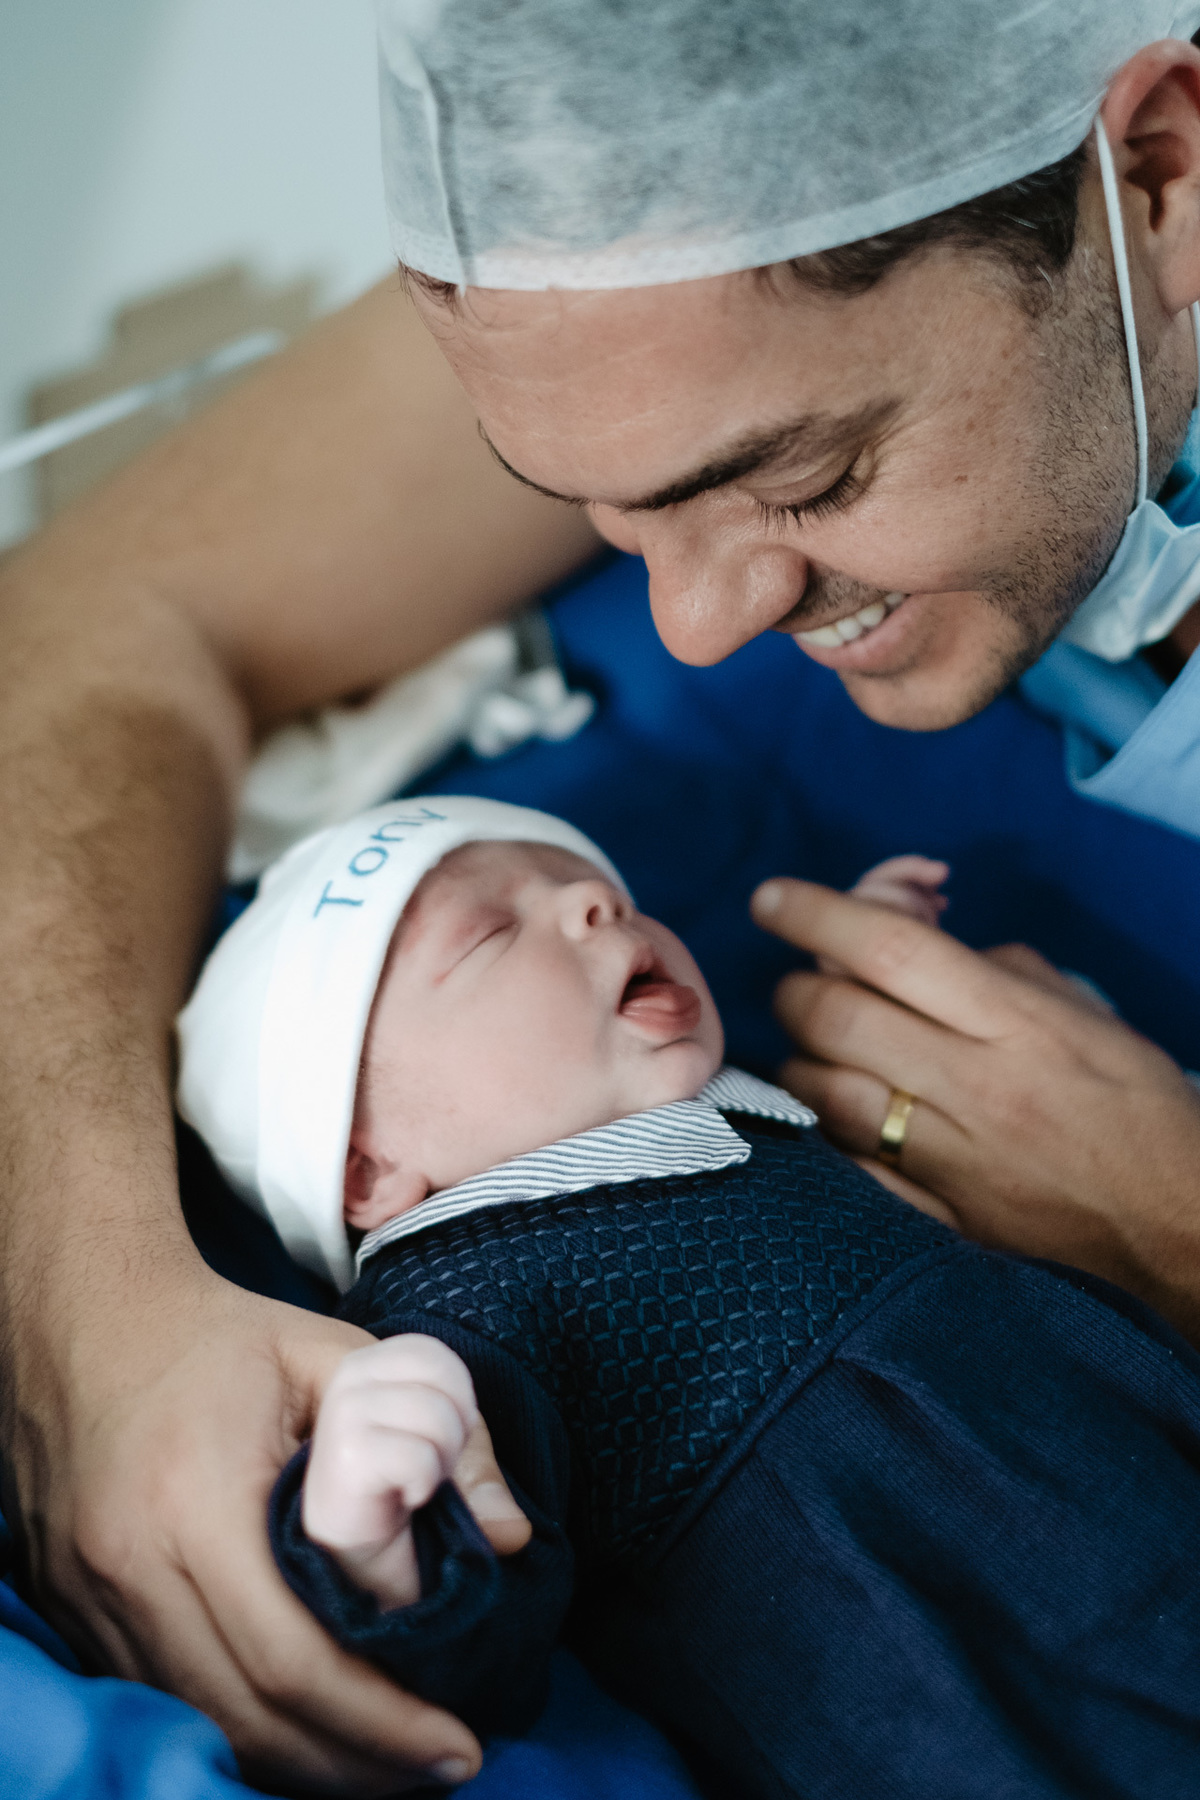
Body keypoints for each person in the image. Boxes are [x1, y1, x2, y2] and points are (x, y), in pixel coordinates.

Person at [7, 2, 1200, 1791]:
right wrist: (91, 1313)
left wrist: (1173, 1224)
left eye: (807, 479)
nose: (698, 621)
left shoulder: (1000, 168)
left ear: (1162, 174)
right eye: (597, 513)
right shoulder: (667, 250)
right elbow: (78, 637)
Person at [176, 798, 1200, 1799]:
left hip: (1108, 1441)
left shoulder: (737, 1115)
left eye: (594, 887)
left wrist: (870, 963)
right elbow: (491, 1610)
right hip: (919, 1629)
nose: (592, 903)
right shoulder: (460, 1301)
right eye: (489, 933)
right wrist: (375, 1539)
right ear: (366, 1170)